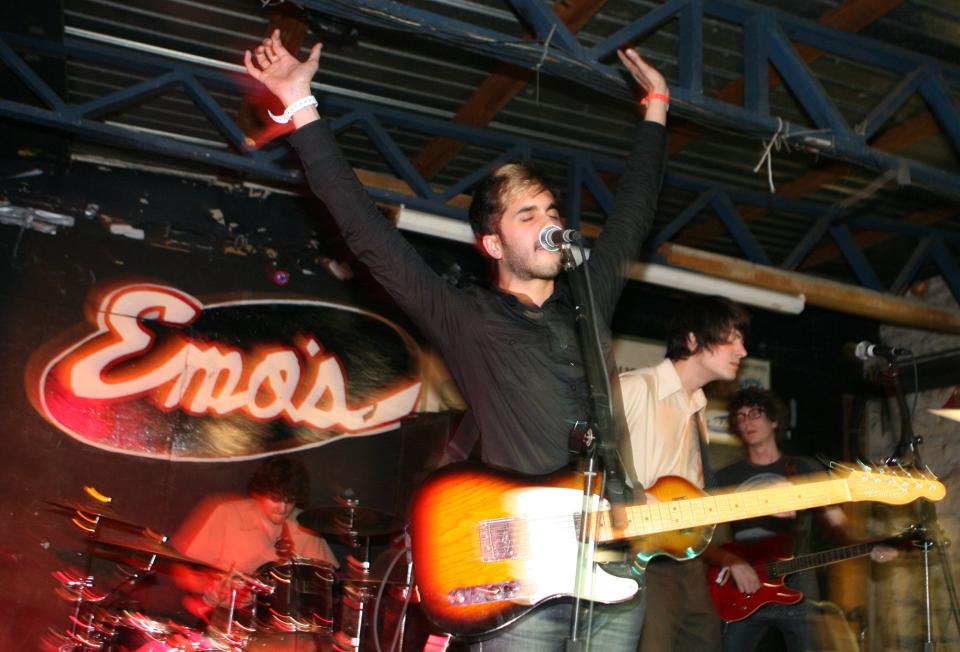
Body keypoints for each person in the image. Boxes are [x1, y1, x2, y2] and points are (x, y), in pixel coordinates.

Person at [243, 29, 669, 650]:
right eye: (529, 216)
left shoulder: (589, 293)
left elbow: (633, 213)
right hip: (521, 581)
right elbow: (367, 235)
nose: (550, 222)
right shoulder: (464, 315)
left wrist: (655, 107)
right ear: (493, 245)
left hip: (613, 565)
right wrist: (301, 108)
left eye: (552, 211)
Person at [712, 386, 897, 652]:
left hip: (798, 587)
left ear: (774, 420)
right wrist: (732, 561)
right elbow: (702, 539)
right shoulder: (727, 477)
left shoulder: (803, 469)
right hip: (742, 589)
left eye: (754, 413)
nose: (747, 421)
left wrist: (870, 544)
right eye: (740, 416)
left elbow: (838, 524)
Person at [618, 295, 750, 652]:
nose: (742, 350)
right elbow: (584, 466)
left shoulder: (698, 408)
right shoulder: (634, 389)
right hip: (640, 558)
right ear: (692, 340)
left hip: (687, 560)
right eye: (731, 338)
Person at [170, 456, 338, 626]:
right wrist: (208, 589)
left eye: (289, 500)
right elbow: (183, 571)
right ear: (259, 493)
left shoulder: (305, 526)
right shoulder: (227, 514)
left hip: (282, 626)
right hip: (228, 620)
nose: (282, 508)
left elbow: (327, 587)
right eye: (275, 498)